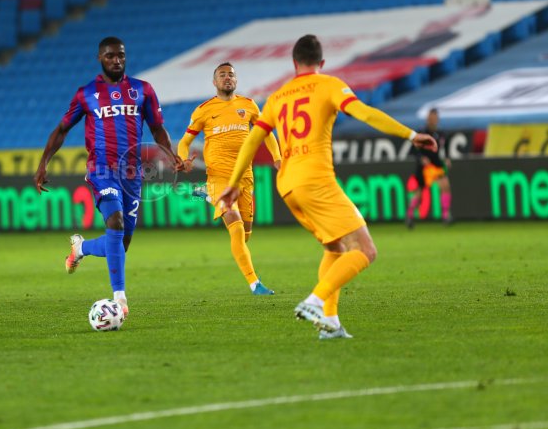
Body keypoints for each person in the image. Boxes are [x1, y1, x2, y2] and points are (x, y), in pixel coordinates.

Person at [218, 35, 437, 339]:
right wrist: (411, 135)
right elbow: (365, 113)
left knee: (334, 247)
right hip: (316, 179)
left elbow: (254, 139)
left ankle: (330, 323)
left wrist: (232, 183)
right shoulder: (329, 85)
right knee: (365, 250)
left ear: (294, 63)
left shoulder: (278, 96)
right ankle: (315, 301)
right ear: (321, 62)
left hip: (288, 185)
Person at [34, 36, 183, 317]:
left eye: (121, 55)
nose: (116, 60)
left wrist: (170, 154)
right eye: (110, 56)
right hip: (101, 169)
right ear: (100, 58)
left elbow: (157, 128)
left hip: (132, 173)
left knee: (121, 243)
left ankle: (81, 247)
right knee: (114, 222)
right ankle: (120, 299)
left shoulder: (142, 90)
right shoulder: (86, 94)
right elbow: (62, 130)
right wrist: (43, 163)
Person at [177, 62, 281, 295]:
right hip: (219, 177)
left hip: (244, 177)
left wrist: (277, 157)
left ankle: (206, 195)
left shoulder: (249, 105)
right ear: (214, 82)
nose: (227, 78)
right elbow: (184, 142)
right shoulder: (203, 110)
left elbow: (266, 132)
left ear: (236, 80)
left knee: (245, 235)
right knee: (235, 226)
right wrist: (183, 160)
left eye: (231, 75)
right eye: (222, 75)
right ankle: (255, 283)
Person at [406, 108, 452, 228]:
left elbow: (446, 146)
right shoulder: (421, 133)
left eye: (435, 118)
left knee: (445, 186)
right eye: (431, 118)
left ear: (437, 119)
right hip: (424, 167)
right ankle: (410, 215)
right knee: (419, 193)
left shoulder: (441, 134)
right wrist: (421, 158)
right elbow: (413, 150)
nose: (433, 120)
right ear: (427, 119)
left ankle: (445, 215)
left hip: (436, 164)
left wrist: (447, 158)